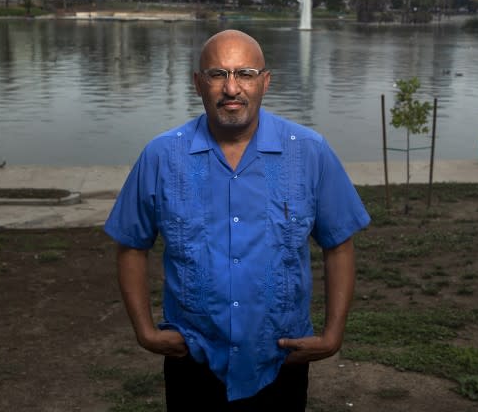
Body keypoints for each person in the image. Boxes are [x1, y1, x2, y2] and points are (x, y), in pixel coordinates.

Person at [104, 29, 371, 410]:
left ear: (266, 81)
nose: (232, 88)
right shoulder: (162, 156)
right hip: (194, 361)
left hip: (280, 360)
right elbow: (131, 244)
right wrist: (145, 330)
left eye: (245, 73)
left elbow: (339, 244)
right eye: (218, 74)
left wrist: (333, 334)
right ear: (198, 83)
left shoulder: (309, 153)